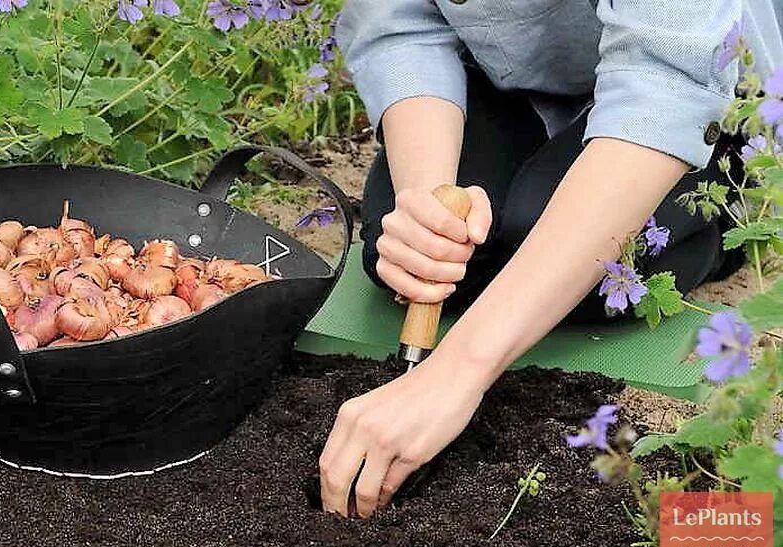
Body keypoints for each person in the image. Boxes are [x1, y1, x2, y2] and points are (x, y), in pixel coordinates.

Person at [318, 0, 783, 518]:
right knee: (420, 255)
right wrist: (430, 217)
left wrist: (452, 376)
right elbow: (398, 26)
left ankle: (726, 210)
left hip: (685, 87)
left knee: (594, 281)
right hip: (506, 77)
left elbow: (665, 83)